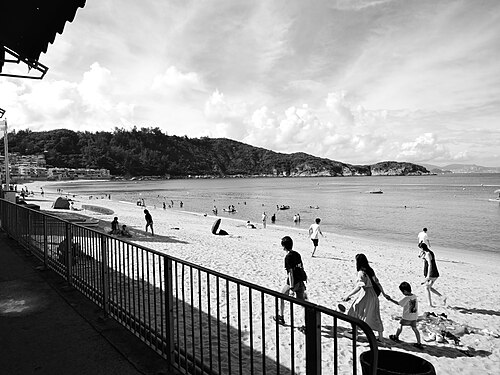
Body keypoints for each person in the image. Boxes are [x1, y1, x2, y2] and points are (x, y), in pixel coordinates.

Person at [342, 253, 385, 341]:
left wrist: (348, 295)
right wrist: (384, 294)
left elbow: (359, 287)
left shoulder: (361, 272)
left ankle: (355, 333)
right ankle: (380, 338)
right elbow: (377, 282)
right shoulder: (370, 270)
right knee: (375, 315)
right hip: (374, 294)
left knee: (353, 311)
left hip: (365, 294)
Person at [273, 236, 308, 333]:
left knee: (282, 296)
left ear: (284, 246)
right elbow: (301, 267)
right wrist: (303, 281)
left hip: (292, 282)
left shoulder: (288, 257)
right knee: (303, 304)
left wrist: (292, 287)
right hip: (300, 281)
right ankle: (305, 325)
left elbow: (290, 273)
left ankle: (281, 316)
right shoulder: (297, 254)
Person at [385, 282, 423, 349]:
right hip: (414, 317)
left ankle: (396, 337)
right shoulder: (414, 296)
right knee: (415, 329)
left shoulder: (406, 298)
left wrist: (390, 299)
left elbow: (399, 304)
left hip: (407, 317)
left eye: (402, 292)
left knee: (400, 326)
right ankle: (419, 343)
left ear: (405, 291)